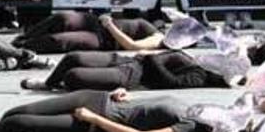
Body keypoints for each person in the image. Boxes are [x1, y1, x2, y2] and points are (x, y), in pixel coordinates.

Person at [0, 88, 213, 132]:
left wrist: (95, 120)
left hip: (92, 125)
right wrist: (126, 94)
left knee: (18, 124)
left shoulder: (190, 127)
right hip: (99, 99)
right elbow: (149, 107)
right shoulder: (191, 107)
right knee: (13, 113)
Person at [21, 50, 229, 91]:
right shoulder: (192, 58)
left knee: (74, 75)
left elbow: (170, 82)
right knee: (73, 58)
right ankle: (49, 84)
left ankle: (65, 86)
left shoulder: (199, 76)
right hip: (126, 59)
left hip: (133, 75)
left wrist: (151, 57)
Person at [13, 10, 163, 53]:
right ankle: (23, 38)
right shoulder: (155, 27)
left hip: (103, 38)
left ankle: (21, 47)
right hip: (97, 23)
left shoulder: (158, 39)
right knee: (63, 17)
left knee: (59, 40)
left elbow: (131, 46)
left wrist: (110, 26)